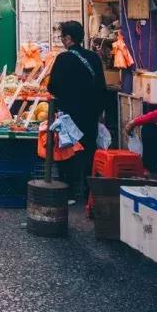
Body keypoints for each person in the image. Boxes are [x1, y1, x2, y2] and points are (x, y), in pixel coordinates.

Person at [46, 20, 107, 201]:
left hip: (70, 114)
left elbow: (53, 87)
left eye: (62, 37)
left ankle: (71, 191)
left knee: (69, 151)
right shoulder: (94, 57)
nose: (62, 40)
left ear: (68, 38)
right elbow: (101, 86)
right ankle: (89, 192)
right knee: (89, 150)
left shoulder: (64, 58)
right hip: (91, 112)